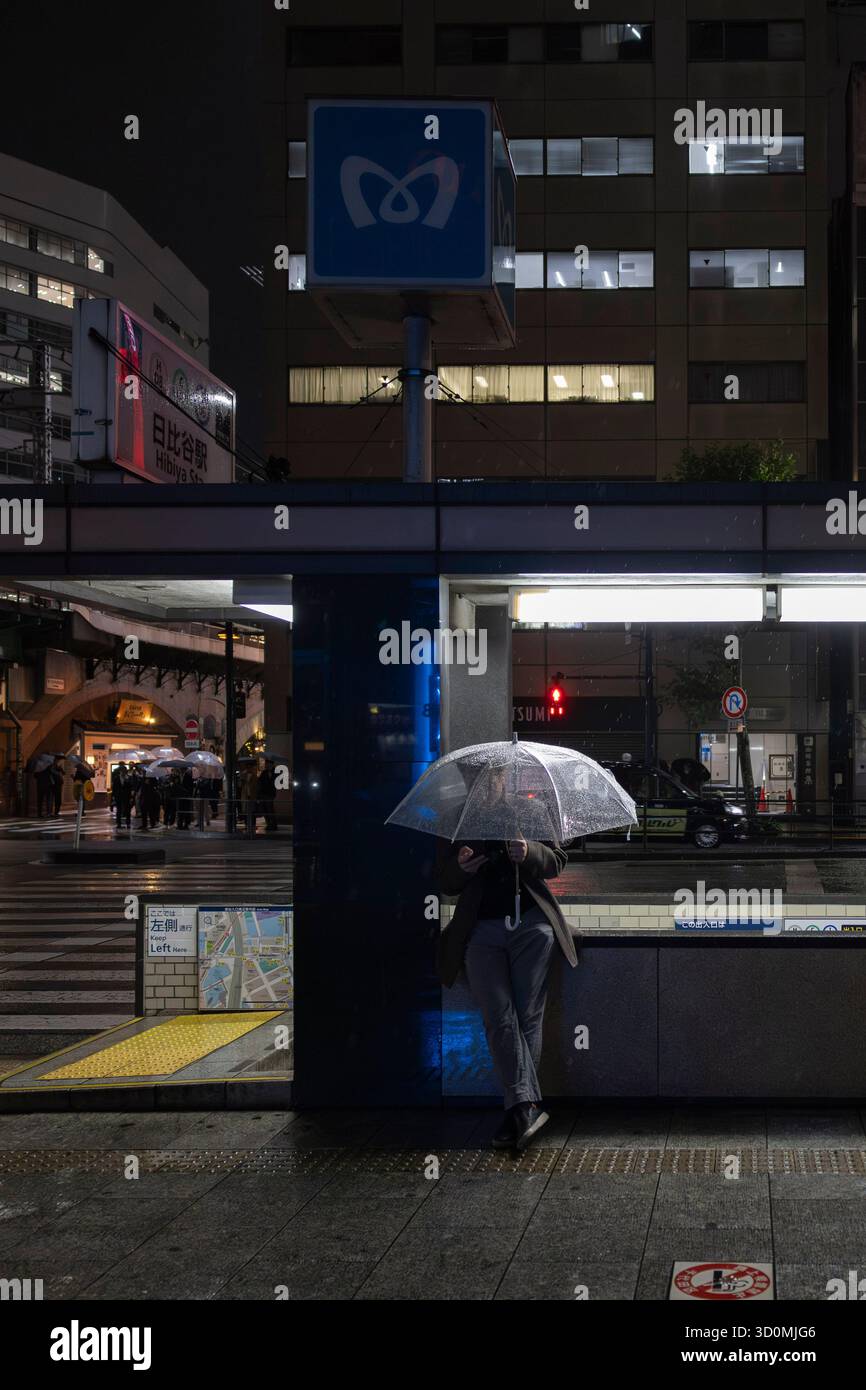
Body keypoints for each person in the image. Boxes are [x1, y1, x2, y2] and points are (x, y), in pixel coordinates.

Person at [436, 769, 576, 1153]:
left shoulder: (525, 812)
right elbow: (444, 880)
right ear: (469, 784)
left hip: (532, 926)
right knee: (498, 1015)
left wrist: (530, 851)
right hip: (480, 931)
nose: (489, 787)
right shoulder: (458, 821)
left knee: (527, 1015)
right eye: (480, 782)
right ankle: (526, 1106)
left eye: (494, 780)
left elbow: (556, 861)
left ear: (504, 780)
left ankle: (516, 1109)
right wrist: (459, 869)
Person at [256, 761, 278, 834]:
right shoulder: (264, 772)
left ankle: (273, 824)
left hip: (270, 793)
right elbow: (260, 782)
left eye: (268, 764)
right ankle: (269, 824)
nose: (266, 766)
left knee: (270, 809)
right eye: (266, 764)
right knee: (265, 809)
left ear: (272, 764)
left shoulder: (276, 772)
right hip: (263, 793)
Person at [111, 762, 132, 830]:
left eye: (124, 771)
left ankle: (128, 823)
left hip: (127, 796)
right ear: (120, 772)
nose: (123, 773)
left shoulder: (128, 778)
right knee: (119, 810)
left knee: (127, 810)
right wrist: (113, 796)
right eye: (122, 771)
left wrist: (127, 781)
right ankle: (119, 824)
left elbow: (130, 787)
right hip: (118, 796)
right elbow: (114, 788)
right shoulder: (116, 778)